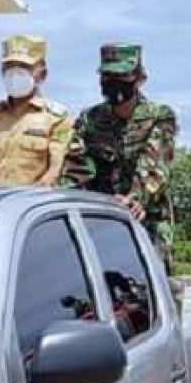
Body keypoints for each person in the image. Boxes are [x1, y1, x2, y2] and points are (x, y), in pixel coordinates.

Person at [60, 42, 178, 267]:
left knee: (147, 287)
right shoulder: (90, 120)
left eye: (122, 77)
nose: (114, 85)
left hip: (146, 220)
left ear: (140, 78)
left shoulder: (159, 117)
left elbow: (154, 166)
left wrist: (134, 199)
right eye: (108, 77)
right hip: (97, 220)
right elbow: (76, 170)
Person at [0, 35, 72, 186]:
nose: (15, 73)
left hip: (32, 205)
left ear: (42, 75)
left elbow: (55, 173)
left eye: (24, 67)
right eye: (9, 67)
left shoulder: (56, 119)